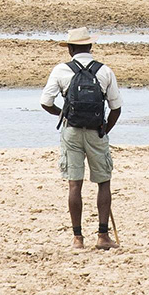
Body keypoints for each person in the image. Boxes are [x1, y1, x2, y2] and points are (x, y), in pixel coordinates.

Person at [39, 27, 123, 250]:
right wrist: (105, 129)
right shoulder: (104, 71)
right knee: (103, 182)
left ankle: (78, 238)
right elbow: (116, 108)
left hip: (71, 131)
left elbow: (45, 102)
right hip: (96, 131)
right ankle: (103, 236)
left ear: (70, 49)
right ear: (90, 47)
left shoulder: (60, 70)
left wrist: (63, 114)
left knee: (74, 184)